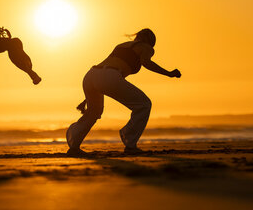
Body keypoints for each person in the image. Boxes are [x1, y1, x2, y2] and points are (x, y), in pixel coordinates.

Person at [66, 28, 181, 156]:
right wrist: (169, 73)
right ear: (151, 41)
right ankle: (129, 141)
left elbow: (106, 72)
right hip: (108, 76)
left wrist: (87, 98)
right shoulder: (146, 47)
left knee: (94, 112)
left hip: (91, 75)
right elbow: (146, 63)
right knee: (144, 104)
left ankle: (74, 144)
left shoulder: (122, 45)